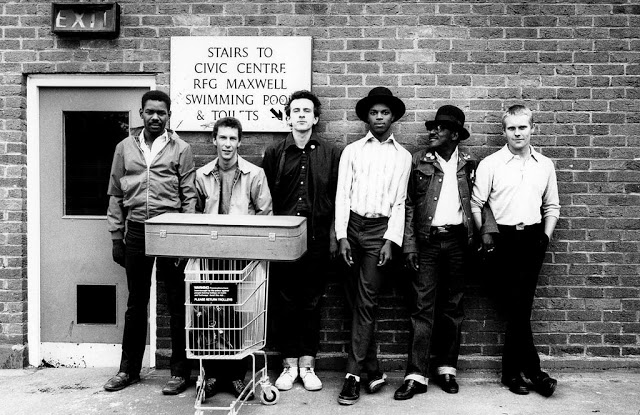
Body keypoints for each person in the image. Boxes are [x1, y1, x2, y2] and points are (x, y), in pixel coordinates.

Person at [396, 105, 498, 400]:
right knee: (422, 306)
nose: (433, 131)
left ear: (455, 135)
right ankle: (416, 375)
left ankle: (447, 369)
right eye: (432, 127)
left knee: (453, 306)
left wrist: (486, 232)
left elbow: (481, 201)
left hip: (458, 242)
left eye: (440, 128)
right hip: (427, 241)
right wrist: (410, 245)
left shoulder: (469, 165)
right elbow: (408, 204)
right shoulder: (418, 161)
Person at [104, 90, 197, 395]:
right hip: (135, 231)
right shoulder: (124, 148)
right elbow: (115, 193)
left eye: (162, 112)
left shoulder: (181, 149)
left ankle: (180, 372)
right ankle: (128, 370)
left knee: (177, 302)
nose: (156, 117)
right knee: (136, 302)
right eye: (150, 112)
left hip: (170, 232)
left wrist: (184, 237)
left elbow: (189, 195)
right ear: (141, 113)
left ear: (169, 116)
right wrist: (116, 236)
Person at [471, 104, 560, 397]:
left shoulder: (544, 165)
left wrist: (545, 237)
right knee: (517, 307)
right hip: (501, 239)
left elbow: (552, 206)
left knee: (519, 308)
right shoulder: (491, 164)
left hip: (533, 238)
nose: (517, 133)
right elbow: (476, 203)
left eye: (523, 127)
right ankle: (533, 372)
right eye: (512, 128)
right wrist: (486, 236)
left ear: (533, 128)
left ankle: (514, 373)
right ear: (504, 131)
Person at [334, 86, 412, 405]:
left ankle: (352, 376)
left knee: (367, 301)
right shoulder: (352, 151)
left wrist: (391, 240)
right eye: (374, 112)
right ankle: (374, 369)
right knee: (353, 301)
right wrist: (341, 235)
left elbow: (400, 202)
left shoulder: (402, 156)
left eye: (385, 112)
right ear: (366, 117)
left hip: (380, 232)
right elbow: (342, 194)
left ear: (393, 117)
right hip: (352, 227)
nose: (379, 117)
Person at [262, 90, 341, 393]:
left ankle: (307, 365)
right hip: (283, 240)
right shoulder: (275, 153)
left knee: (311, 301)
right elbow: (266, 198)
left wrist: (333, 236)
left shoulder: (330, 153)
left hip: (317, 239)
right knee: (284, 302)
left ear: (316, 118)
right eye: (296, 111)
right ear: (288, 117)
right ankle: (288, 364)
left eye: (307, 111)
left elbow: (337, 197)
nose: (302, 115)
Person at [192, 116, 272, 401]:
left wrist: (252, 251)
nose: (227, 144)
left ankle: (237, 376)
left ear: (240, 142)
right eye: (222, 138)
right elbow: (193, 213)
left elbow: (265, 213)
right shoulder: (202, 175)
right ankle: (213, 376)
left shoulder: (254, 174)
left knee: (240, 315)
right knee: (210, 314)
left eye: (232, 138)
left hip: (242, 258)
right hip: (211, 257)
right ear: (213, 140)